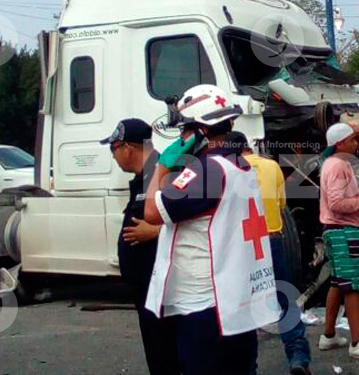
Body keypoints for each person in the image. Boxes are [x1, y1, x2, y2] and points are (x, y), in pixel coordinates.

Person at [143, 85, 280, 375]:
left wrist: (161, 165)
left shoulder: (207, 170)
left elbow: (152, 212)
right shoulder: (239, 164)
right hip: (234, 304)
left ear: (201, 132)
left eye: (185, 131)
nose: (181, 138)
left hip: (205, 308)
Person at [100, 118, 181, 375]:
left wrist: (155, 231)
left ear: (127, 148)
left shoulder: (164, 173)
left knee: (167, 352)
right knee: (157, 352)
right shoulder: (143, 177)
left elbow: (188, 219)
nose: (113, 156)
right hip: (146, 288)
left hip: (162, 288)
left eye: (113, 149)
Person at [231, 132, 313, 375]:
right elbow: (281, 204)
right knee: (285, 298)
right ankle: (298, 356)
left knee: (243, 305)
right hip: (271, 240)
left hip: (243, 245)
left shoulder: (227, 170)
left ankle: (248, 366)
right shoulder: (271, 166)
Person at [317, 122, 359, 361]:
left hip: (334, 230)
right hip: (344, 231)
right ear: (340, 144)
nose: (357, 144)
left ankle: (328, 334)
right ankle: (357, 342)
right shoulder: (338, 166)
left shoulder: (331, 164)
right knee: (352, 286)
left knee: (338, 282)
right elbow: (336, 204)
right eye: (353, 140)